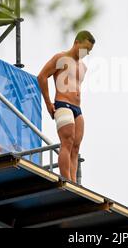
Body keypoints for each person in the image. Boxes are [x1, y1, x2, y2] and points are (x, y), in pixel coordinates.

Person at [37, 30, 95, 183]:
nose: (87, 53)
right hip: (62, 103)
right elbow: (42, 76)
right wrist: (48, 103)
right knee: (67, 142)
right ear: (77, 42)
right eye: (85, 49)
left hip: (77, 108)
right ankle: (66, 180)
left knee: (76, 147)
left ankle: (74, 182)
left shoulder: (83, 67)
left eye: (89, 51)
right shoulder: (61, 58)